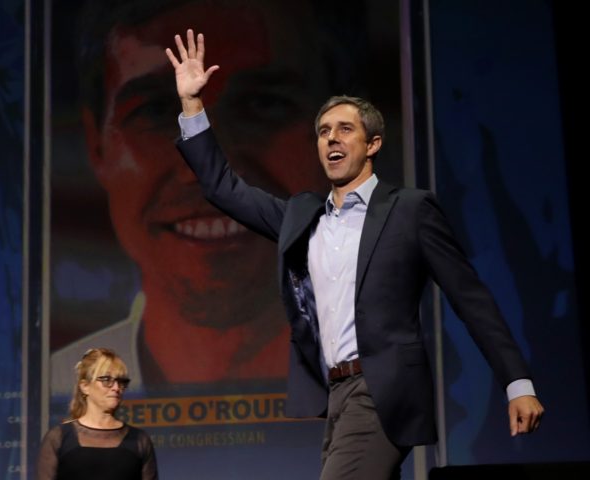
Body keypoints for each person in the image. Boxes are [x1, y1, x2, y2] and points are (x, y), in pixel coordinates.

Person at [165, 30, 545, 479]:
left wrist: (517, 383)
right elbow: (223, 188)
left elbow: (470, 298)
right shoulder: (303, 218)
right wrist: (192, 106)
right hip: (336, 395)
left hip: (384, 390)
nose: (331, 139)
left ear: (373, 144)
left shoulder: (408, 210)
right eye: (323, 132)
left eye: (345, 129)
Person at [50, 0, 379, 396]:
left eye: (262, 104)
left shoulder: (407, 381)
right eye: (158, 111)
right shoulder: (50, 394)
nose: (208, 174)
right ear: (96, 143)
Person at [37, 348, 158, 479]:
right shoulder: (59, 438)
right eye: (107, 380)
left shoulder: (139, 440)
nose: (116, 388)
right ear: (85, 386)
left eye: (121, 382)